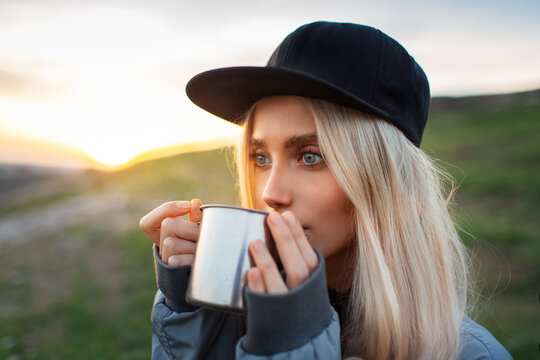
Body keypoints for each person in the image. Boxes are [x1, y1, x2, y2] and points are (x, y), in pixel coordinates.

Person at [139, 21, 513, 359]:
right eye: (261, 157)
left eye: (311, 156)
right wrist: (191, 310)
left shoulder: (469, 354)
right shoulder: (232, 313)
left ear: (392, 182)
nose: (271, 192)